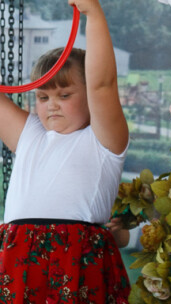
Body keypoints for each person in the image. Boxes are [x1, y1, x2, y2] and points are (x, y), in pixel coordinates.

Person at [0, 0, 131, 302]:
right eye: (43, 97)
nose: (52, 104)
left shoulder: (104, 141)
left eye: (65, 94)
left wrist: (93, 14)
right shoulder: (31, 133)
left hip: (77, 258)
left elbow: (102, 84)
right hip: (18, 260)